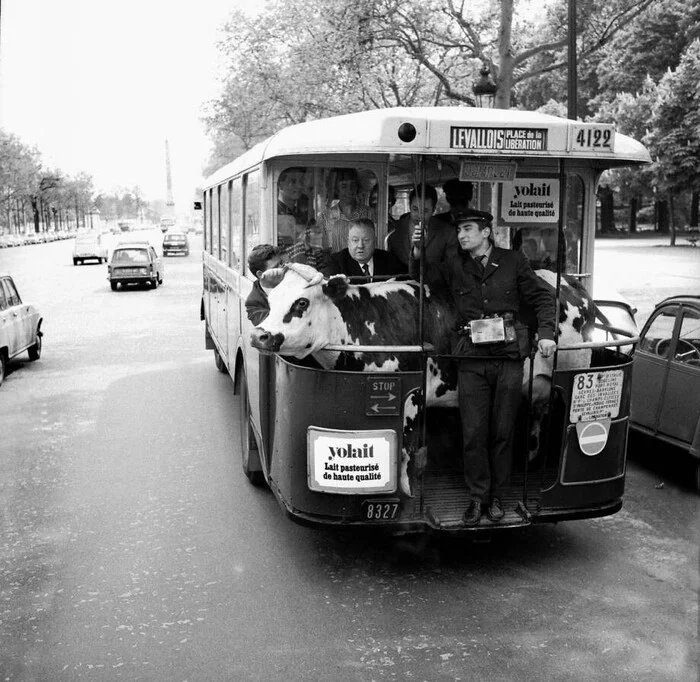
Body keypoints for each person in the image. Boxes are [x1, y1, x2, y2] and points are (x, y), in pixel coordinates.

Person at [413, 210, 557, 526]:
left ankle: (497, 498)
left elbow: (543, 299)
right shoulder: (455, 265)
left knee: (503, 431)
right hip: (471, 359)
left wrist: (546, 334)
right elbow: (425, 278)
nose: (461, 235)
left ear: (486, 232)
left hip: (508, 358)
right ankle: (478, 498)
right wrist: (417, 251)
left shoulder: (513, 261)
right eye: (459, 230)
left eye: (467, 229)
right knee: (474, 433)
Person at [322, 218, 406, 282]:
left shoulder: (389, 260)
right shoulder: (336, 262)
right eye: (355, 240)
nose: (360, 246)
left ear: (374, 241)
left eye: (366, 240)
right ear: (348, 241)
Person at [317, 169, 375, 252]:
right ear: (336, 189)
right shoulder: (324, 218)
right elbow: (320, 250)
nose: (350, 190)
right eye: (344, 186)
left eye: (353, 185)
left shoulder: (369, 214)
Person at [386, 184, 438, 267]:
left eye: (425, 211)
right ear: (409, 206)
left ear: (434, 210)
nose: (419, 215)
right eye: (415, 209)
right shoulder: (393, 229)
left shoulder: (446, 232)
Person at [244, 244, 285, 326]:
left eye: (281, 263)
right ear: (260, 274)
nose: (282, 268)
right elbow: (275, 325)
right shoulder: (253, 304)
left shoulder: (289, 281)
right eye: (276, 267)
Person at [277, 167, 309, 246]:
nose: (299, 186)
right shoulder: (274, 212)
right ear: (280, 185)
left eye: (301, 181)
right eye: (293, 181)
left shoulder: (299, 212)